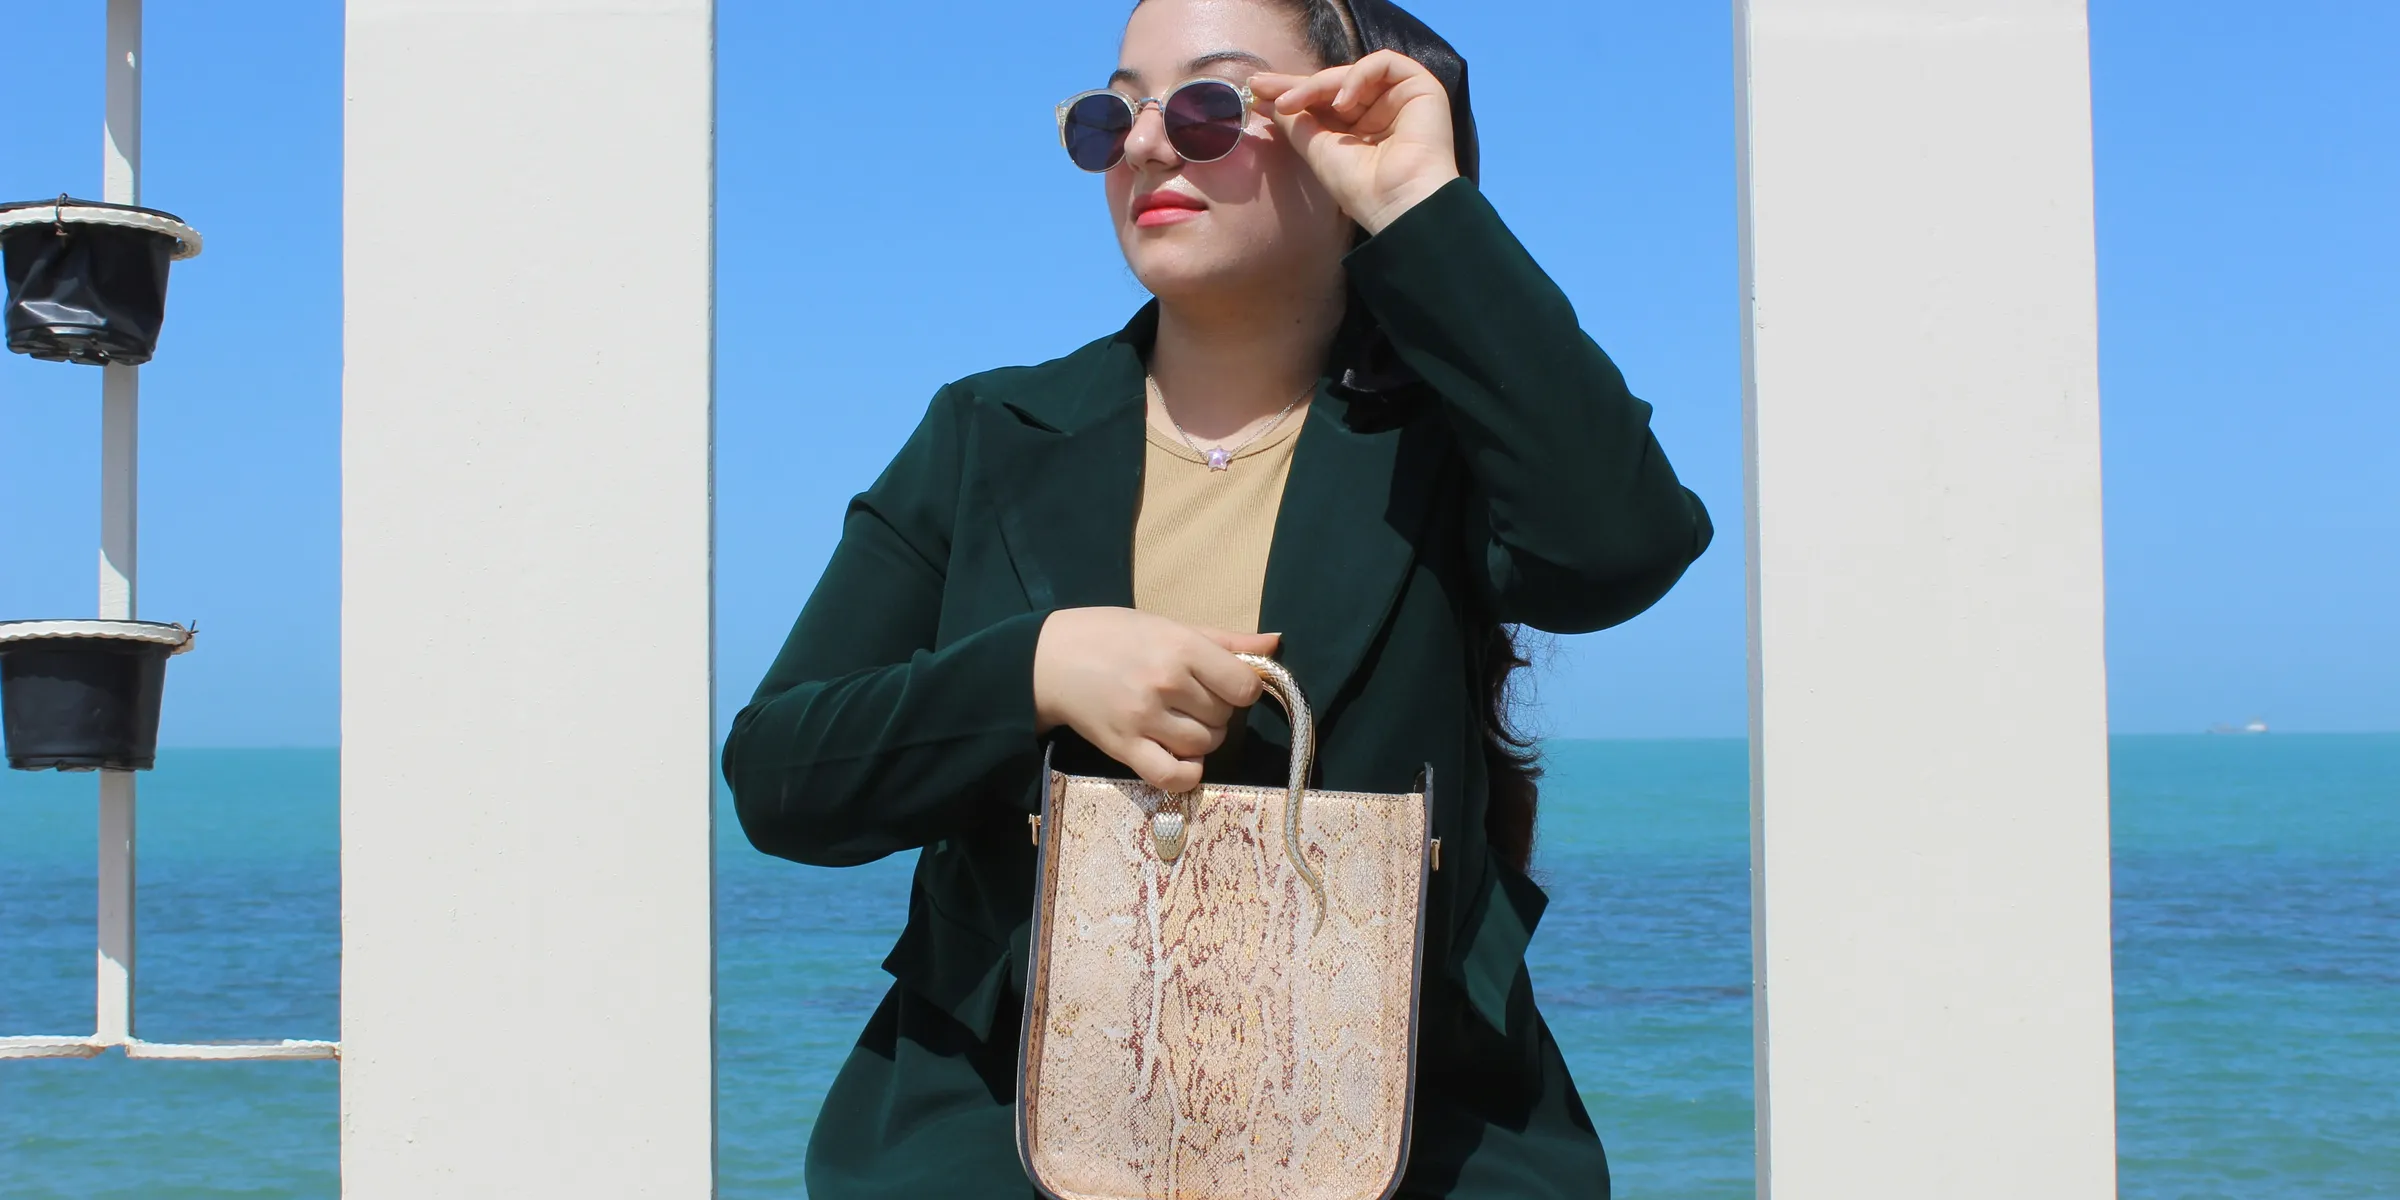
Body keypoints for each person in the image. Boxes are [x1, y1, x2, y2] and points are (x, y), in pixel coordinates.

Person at [720, 0, 1712, 1194]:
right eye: (1109, 114)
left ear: (1337, 121)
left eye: (1205, 107)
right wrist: (1032, 671)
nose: (1144, 145)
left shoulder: (1452, 445)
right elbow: (782, 778)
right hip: (1000, 1136)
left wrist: (1421, 207)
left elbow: (1623, 548)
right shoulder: (986, 434)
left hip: (1408, 1142)